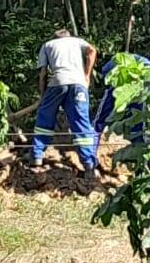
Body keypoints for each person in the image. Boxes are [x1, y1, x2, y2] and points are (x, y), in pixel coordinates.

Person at [31, 29, 99, 179]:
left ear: (55, 38)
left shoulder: (48, 45)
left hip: (57, 83)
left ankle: (36, 157)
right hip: (78, 84)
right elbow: (92, 50)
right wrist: (87, 75)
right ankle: (89, 164)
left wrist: (43, 96)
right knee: (81, 122)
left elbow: (43, 74)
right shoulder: (78, 41)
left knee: (45, 119)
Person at [92, 53, 150, 158]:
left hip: (121, 91)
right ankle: (138, 156)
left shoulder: (115, 61)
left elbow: (106, 78)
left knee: (100, 121)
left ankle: (90, 150)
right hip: (134, 91)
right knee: (137, 123)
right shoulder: (138, 59)